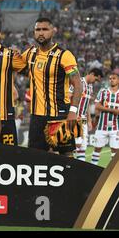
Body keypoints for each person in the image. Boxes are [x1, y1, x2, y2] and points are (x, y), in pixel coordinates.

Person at [22, 17, 83, 156]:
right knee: (35, 156)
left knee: (67, 155)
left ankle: (72, 178)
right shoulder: (30, 54)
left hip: (61, 113)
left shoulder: (64, 55)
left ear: (53, 31)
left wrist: (73, 112)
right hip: (37, 116)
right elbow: (11, 64)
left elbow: (78, 84)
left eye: (45, 29)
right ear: (34, 32)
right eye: (38, 29)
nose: (41, 33)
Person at [69, 68, 103, 161]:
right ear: (92, 74)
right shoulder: (78, 82)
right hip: (75, 117)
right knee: (77, 144)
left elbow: (87, 104)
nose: (95, 82)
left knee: (83, 146)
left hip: (83, 119)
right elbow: (68, 97)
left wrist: (89, 121)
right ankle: (68, 164)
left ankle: (80, 169)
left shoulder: (90, 87)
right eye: (95, 79)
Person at [92, 72, 119, 165]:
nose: (111, 80)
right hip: (101, 126)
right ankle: (92, 170)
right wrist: (113, 110)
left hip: (116, 128)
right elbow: (97, 106)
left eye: (114, 78)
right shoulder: (103, 91)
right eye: (110, 78)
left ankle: (112, 173)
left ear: (118, 80)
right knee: (97, 148)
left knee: (115, 151)